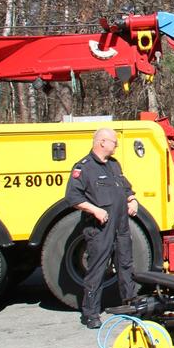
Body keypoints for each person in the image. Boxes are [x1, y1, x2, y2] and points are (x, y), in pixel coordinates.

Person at [65, 128, 139, 329]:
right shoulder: (84, 167)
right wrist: (95, 210)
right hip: (99, 228)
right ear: (102, 142)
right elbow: (73, 197)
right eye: (114, 142)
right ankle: (90, 313)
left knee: (125, 266)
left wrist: (132, 200)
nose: (116, 145)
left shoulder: (114, 165)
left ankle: (130, 306)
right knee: (97, 269)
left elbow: (125, 188)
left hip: (121, 226)